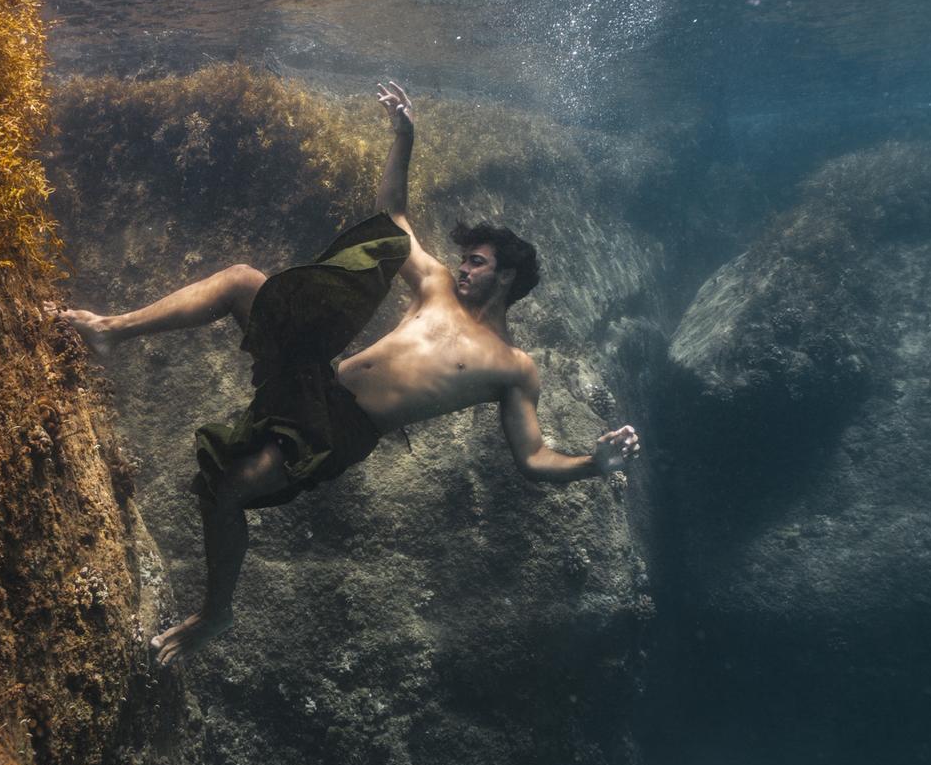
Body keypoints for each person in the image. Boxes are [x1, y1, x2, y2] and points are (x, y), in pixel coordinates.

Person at [56, 81, 641, 665]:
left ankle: (214, 614)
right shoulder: (436, 286)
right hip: (318, 377)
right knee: (240, 280)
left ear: (507, 276)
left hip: (341, 430)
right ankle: (111, 330)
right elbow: (392, 216)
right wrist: (403, 136)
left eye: (477, 262)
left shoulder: (514, 367)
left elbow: (534, 458)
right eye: (464, 259)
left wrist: (593, 464)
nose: (463, 268)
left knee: (230, 489)